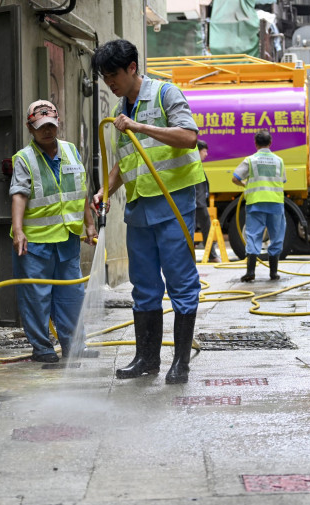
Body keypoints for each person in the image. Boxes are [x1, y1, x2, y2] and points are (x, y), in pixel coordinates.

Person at [91, 39, 205, 384]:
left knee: (181, 282)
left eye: (114, 75)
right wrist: (103, 191)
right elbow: (124, 164)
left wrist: (140, 127)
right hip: (139, 208)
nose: (110, 82)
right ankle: (146, 359)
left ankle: (180, 362)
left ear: (132, 68)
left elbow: (188, 137)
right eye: (104, 77)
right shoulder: (119, 111)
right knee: (143, 285)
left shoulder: (164, 94)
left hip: (173, 203)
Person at [9, 99, 99, 363]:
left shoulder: (71, 151)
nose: (47, 131)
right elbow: (19, 195)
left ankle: (75, 346)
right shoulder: (25, 158)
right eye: (40, 127)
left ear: (57, 122)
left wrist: (89, 223)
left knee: (72, 296)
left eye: (51, 125)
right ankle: (43, 349)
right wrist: (18, 231)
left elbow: (81, 190)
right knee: (37, 298)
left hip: (67, 239)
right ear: (30, 128)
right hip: (35, 242)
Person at [231, 129, 287, 282]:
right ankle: (273, 273)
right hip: (275, 203)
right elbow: (282, 180)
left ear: (255, 144)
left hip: (255, 203)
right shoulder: (279, 160)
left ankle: (251, 272)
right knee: (276, 236)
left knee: (253, 235)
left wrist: (245, 184)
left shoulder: (250, 160)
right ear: (270, 143)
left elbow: (235, 178)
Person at [194, 140, 221, 263]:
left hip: (197, 203)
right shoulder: (195, 165)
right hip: (197, 204)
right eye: (204, 151)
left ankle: (211, 255)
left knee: (202, 229)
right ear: (198, 151)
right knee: (206, 229)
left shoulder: (197, 165)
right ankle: (212, 255)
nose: (206, 154)